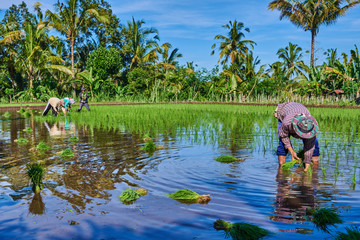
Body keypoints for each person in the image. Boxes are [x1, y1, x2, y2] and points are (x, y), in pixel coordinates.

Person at [274, 102, 319, 172]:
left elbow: (309, 147)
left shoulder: (310, 126)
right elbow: (284, 136)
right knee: (282, 144)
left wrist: (307, 167)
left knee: (314, 144)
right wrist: (292, 152)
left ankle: (315, 166)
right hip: (284, 111)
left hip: (300, 110)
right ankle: (281, 169)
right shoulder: (287, 123)